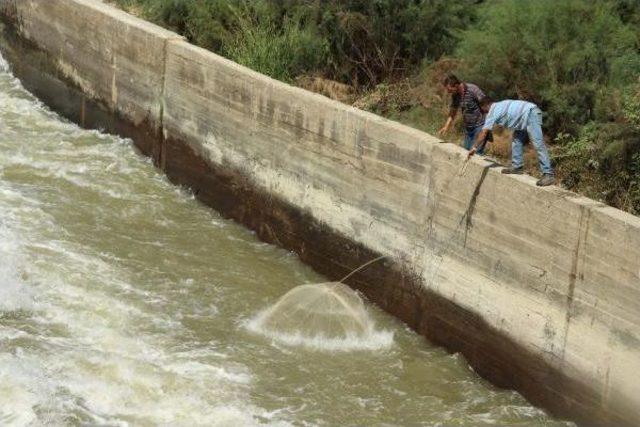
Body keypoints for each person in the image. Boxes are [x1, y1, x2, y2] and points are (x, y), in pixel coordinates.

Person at [468, 98, 555, 187]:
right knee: (516, 140)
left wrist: (474, 147)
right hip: (524, 117)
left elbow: (484, 132)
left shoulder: (493, 111)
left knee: (538, 144)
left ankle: (548, 174)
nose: (484, 113)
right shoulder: (499, 105)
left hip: (530, 114)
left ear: (485, 106)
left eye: (483, 110)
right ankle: (517, 166)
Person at [437, 74, 491, 154]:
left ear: (456, 85)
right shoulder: (455, 95)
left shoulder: (473, 89)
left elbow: (487, 105)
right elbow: (453, 112)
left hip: (479, 127)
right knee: (465, 153)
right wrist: (446, 127)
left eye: (450, 89)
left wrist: (488, 126)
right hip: (468, 129)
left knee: (475, 154)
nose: (449, 92)